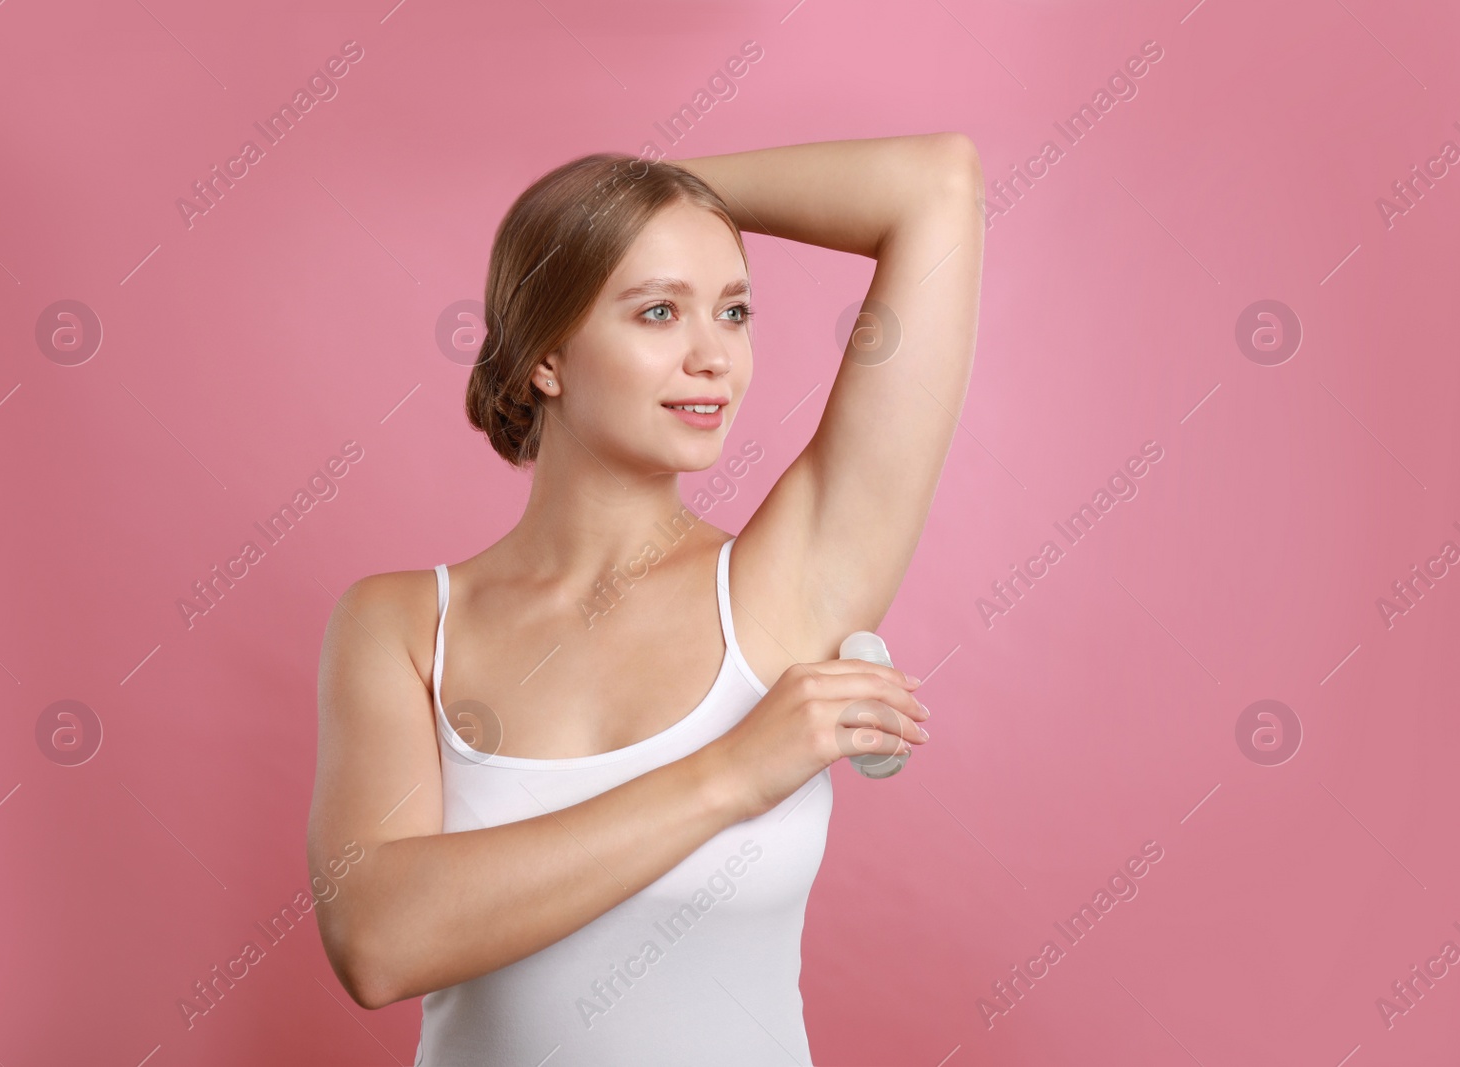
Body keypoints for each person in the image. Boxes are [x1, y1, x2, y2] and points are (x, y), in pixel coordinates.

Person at [307, 133, 984, 1065]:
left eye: (735, 311)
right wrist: (732, 772)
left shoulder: (785, 585)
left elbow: (935, 186)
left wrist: (653, 195)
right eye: (660, 310)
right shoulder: (403, 624)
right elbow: (379, 942)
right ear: (547, 357)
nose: (714, 356)